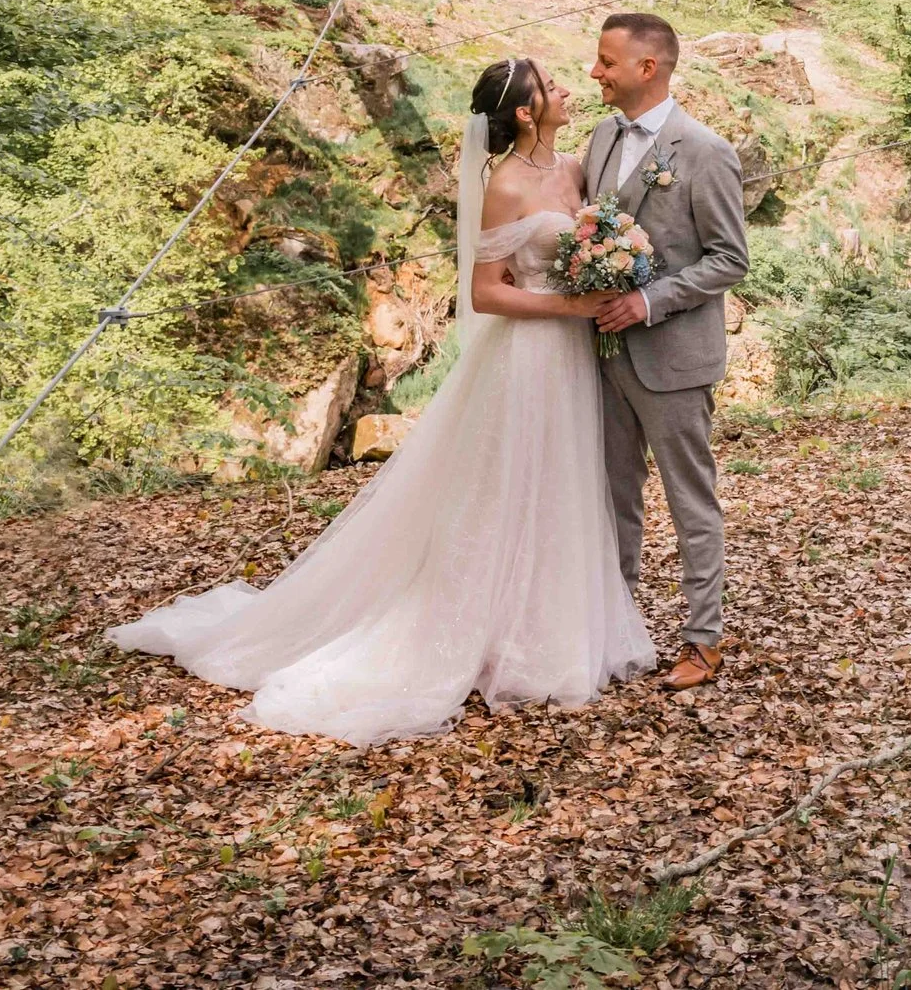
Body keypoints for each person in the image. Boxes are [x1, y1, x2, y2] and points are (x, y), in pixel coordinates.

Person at [107, 58, 656, 746]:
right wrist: (570, 301)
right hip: (526, 357)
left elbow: (588, 239)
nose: (567, 87)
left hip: (572, 358)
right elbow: (486, 291)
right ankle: (476, 630)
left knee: (562, 484)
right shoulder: (506, 185)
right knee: (503, 486)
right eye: (551, 84)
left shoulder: (574, 169)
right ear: (524, 111)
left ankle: (549, 629)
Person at [583, 13, 750, 690]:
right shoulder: (597, 138)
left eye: (606, 61)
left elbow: (729, 258)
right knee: (612, 497)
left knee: (690, 501)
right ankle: (619, 632)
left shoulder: (704, 151)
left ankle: (703, 639)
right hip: (602, 355)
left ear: (647, 68)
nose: (594, 72)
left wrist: (649, 302)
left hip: (675, 358)